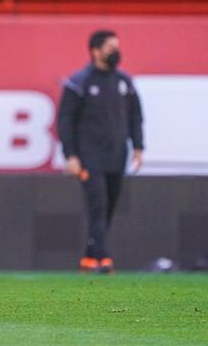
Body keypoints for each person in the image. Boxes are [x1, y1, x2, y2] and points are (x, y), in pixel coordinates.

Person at [57, 29, 144, 274]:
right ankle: (103, 257)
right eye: (110, 48)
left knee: (109, 207)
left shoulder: (124, 82)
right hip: (89, 157)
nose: (116, 52)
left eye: (117, 47)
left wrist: (138, 146)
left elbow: (136, 116)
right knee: (98, 205)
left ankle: (89, 256)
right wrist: (70, 155)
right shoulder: (79, 82)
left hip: (117, 156)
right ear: (96, 51)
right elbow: (65, 120)